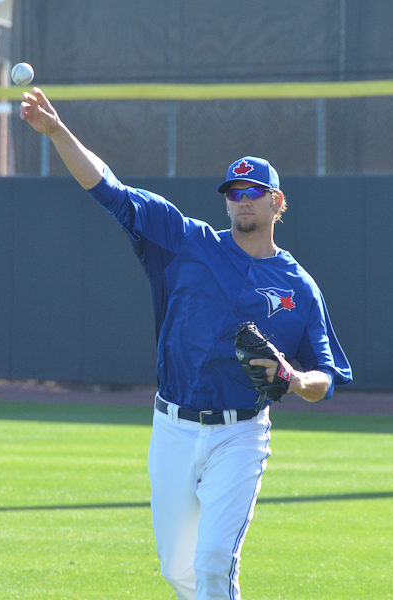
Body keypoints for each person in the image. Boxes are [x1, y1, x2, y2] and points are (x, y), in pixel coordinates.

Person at [20, 88, 351, 600]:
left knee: (216, 559)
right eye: (234, 191)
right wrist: (57, 131)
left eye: (253, 191)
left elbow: (326, 378)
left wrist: (292, 376)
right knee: (179, 571)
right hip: (172, 427)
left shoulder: (298, 285)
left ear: (276, 202)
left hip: (239, 435)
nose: (241, 199)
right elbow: (111, 191)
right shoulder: (187, 242)